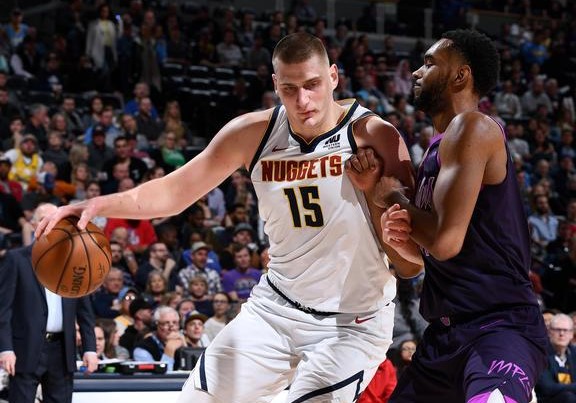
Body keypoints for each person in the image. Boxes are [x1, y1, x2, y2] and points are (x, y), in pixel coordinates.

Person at [37, 32, 420, 403]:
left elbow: (413, 258)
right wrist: (96, 205)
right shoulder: (253, 133)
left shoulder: (373, 135)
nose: (303, 100)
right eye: (290, 88)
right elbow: (174, 192)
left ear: (333, 77)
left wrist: (378, 200)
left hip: (352, 321)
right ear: (275, 84)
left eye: (313, 84)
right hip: (276, 309)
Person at [369, 29, 548, 403]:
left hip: (498, 327)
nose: (416, 72)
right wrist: (389, 215)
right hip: (442, 338)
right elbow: (423, 261)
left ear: (460, 75)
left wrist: (394, 196)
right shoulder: (435, 151)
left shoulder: (473, 126)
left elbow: (445, 242)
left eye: (429, 63)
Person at [0, 203, 98, 403]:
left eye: (57, 220)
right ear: (34, 224)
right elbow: (3, 310)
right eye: (46, 220)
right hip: (25, 349)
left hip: (62, 349)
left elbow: (85, 310)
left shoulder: (75, 260)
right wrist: (6, 348)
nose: (52, 225)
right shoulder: (16, 259)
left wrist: (90, 348)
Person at [535, 313, 576, 403]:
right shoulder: (540, 353)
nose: (562, 334)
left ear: (571, 334)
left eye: (566, 330)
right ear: (549, 331)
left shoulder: (574, 352)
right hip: (547, 400)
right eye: (557, 330)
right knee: (568, 397)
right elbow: (546, 387)